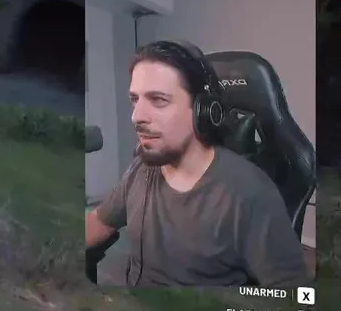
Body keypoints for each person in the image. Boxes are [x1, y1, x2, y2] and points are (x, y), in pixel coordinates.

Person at [85, 41, 310, 288]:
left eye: (158, 100)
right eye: (135, 100)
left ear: (203, 111)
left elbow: (294, 297)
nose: (136, 116)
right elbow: (99, 221)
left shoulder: (250, 194)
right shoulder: (140, 169)